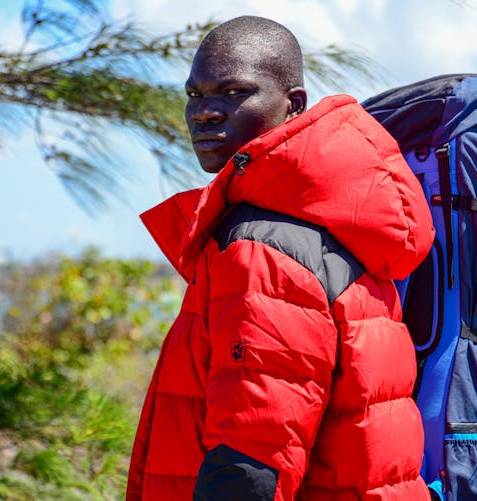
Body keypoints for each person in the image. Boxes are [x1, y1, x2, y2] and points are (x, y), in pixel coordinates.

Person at [126, 15, 434, 501]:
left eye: (233, 93)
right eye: (194, 95)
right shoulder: (334, 226)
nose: (205, 112)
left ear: (293, 106)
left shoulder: (261, 247)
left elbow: (253, 458)